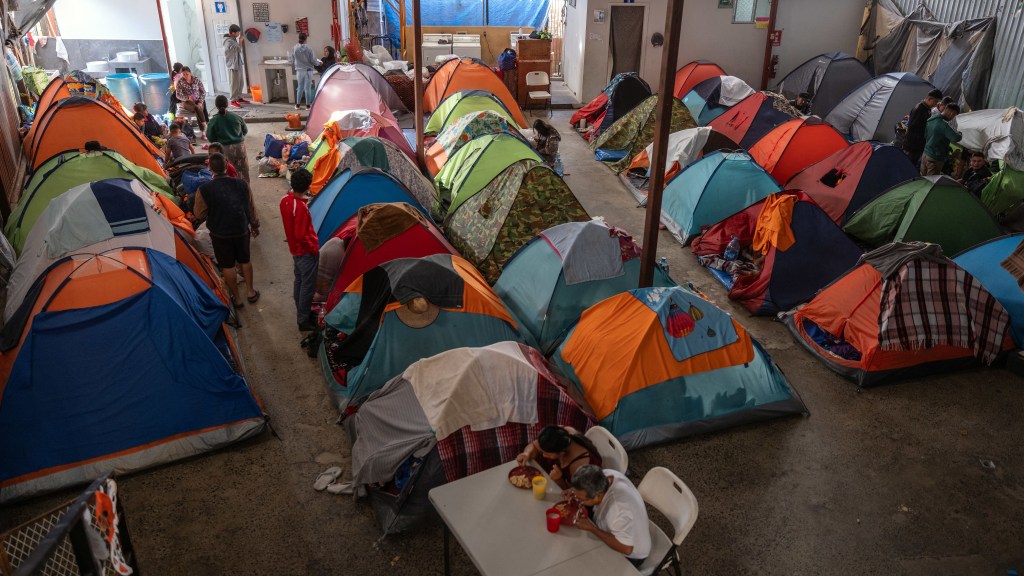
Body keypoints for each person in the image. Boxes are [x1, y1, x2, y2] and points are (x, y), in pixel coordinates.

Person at [194, 153, 260, 308]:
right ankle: (250, 292)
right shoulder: (242, 184)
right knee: (245, 260)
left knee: (228, 265)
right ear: (226, 166)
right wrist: (255, 225)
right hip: (241, 229)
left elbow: (199, 214)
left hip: (219, 233)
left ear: (210, 168)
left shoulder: (204, 189)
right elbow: (251, 207)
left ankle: (237, 299)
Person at [569, 465, 651, 568]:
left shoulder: (618, 509)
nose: (578, 500)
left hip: (631, 555)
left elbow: (627, 548)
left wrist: (592, 528)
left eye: (580, 499)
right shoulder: (604, 476)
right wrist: (574, 492)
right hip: (622, 527)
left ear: (598, 495)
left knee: (583, 564)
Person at [280, 168, 320, 332]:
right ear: (307, 187)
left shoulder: (285, 200)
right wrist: (313, 248)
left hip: (294, 251)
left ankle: (301, 311)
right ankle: (303, 320)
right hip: (305, 252)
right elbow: (301, 234)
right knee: (307, 287)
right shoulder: (300, 208)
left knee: (299, 281)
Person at [516, 425, 603, 490]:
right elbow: (534, 446)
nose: (543, 456)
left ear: (561, 453)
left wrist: (558, 480)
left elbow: (574, 495)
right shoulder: (561, 434)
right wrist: (526, 453)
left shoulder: (581, 465)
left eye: (548, 454)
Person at [206, 95, 250, 184]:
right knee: (243, 170)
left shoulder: (214, 120)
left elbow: (210, 137)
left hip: (225, 149)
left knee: (229, 171)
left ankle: (233, 190)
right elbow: (245, 131)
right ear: (227, 104)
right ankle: (246, 189)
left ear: (216, 106)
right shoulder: (236, 117)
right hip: (240, 147)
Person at [921, 103, 962, 176]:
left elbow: (926, 135)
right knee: (931, 182)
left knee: (922, 178)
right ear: (952, 113)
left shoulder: (932, 119)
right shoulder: (944, 125)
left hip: (925, 154)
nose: (953, 117)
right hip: (935, 158)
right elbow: (956, 138)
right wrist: (959, 133)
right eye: (954, 115)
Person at [905, 88, 942, 165]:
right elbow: (913, 127)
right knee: (907, 165)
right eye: (935, 101)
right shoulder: (920, 109)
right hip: (912, 146)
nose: (935, 104)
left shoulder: (926, 109)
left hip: (917, 146)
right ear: (929, 99)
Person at [290, 33, 321, 110]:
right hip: (308, 71)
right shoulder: (309, 48)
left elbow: (292, 60)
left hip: (299, 71)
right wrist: (319, 63)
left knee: (300, 87)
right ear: (306, 39)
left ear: (299, 38)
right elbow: (313, 60)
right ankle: (308, 106)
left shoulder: (294, 48)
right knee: (307, 88)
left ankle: (297, 105)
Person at [174, 66, 208, 133]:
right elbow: (178, 95)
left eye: (187, 74)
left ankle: (203, 130)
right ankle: (204, 127)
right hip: (186, 102)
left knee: (198, 108)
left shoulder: (196, 80)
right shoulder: (180, 82)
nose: (185, 76)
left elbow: (203, 92)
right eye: (183, 74)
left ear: (190, 73)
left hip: (198, 100)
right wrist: (187, 98)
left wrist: (200, 101)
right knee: (197, 108)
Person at [223, 24, 247, 108]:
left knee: (241, 82)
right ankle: (233, 100)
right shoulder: (228, 41)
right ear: (233, 33)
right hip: (233, 65)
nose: (238, 34)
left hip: (238, 64)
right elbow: (238, 49)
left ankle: (239, 97)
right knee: (234, 83)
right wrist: (240, 41)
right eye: (237, 32)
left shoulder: (233, 39)